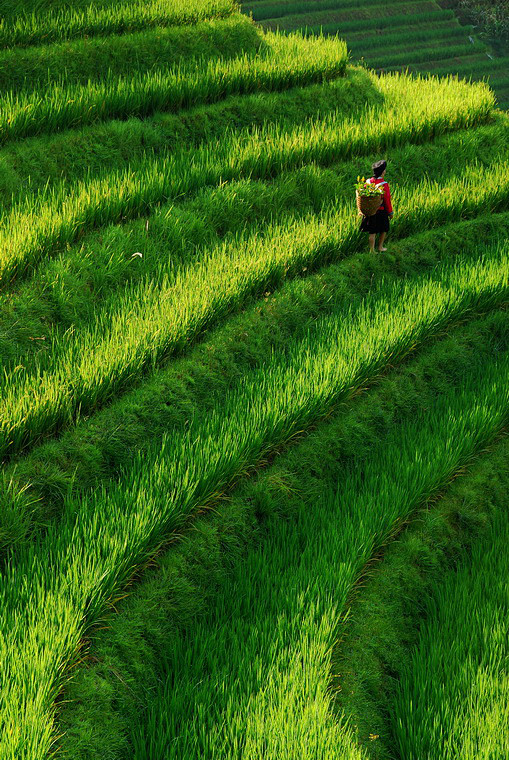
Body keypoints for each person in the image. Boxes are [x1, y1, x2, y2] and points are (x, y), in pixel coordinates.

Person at [359, 159, 393, 253]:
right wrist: (390, 212)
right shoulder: (384, 184)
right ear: (382, 172)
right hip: (381, 211)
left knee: (372, 231)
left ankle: (371, 250)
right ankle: (380, 247)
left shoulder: (368, 182)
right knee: (384, 228)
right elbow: (387, 199)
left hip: (370, 211)